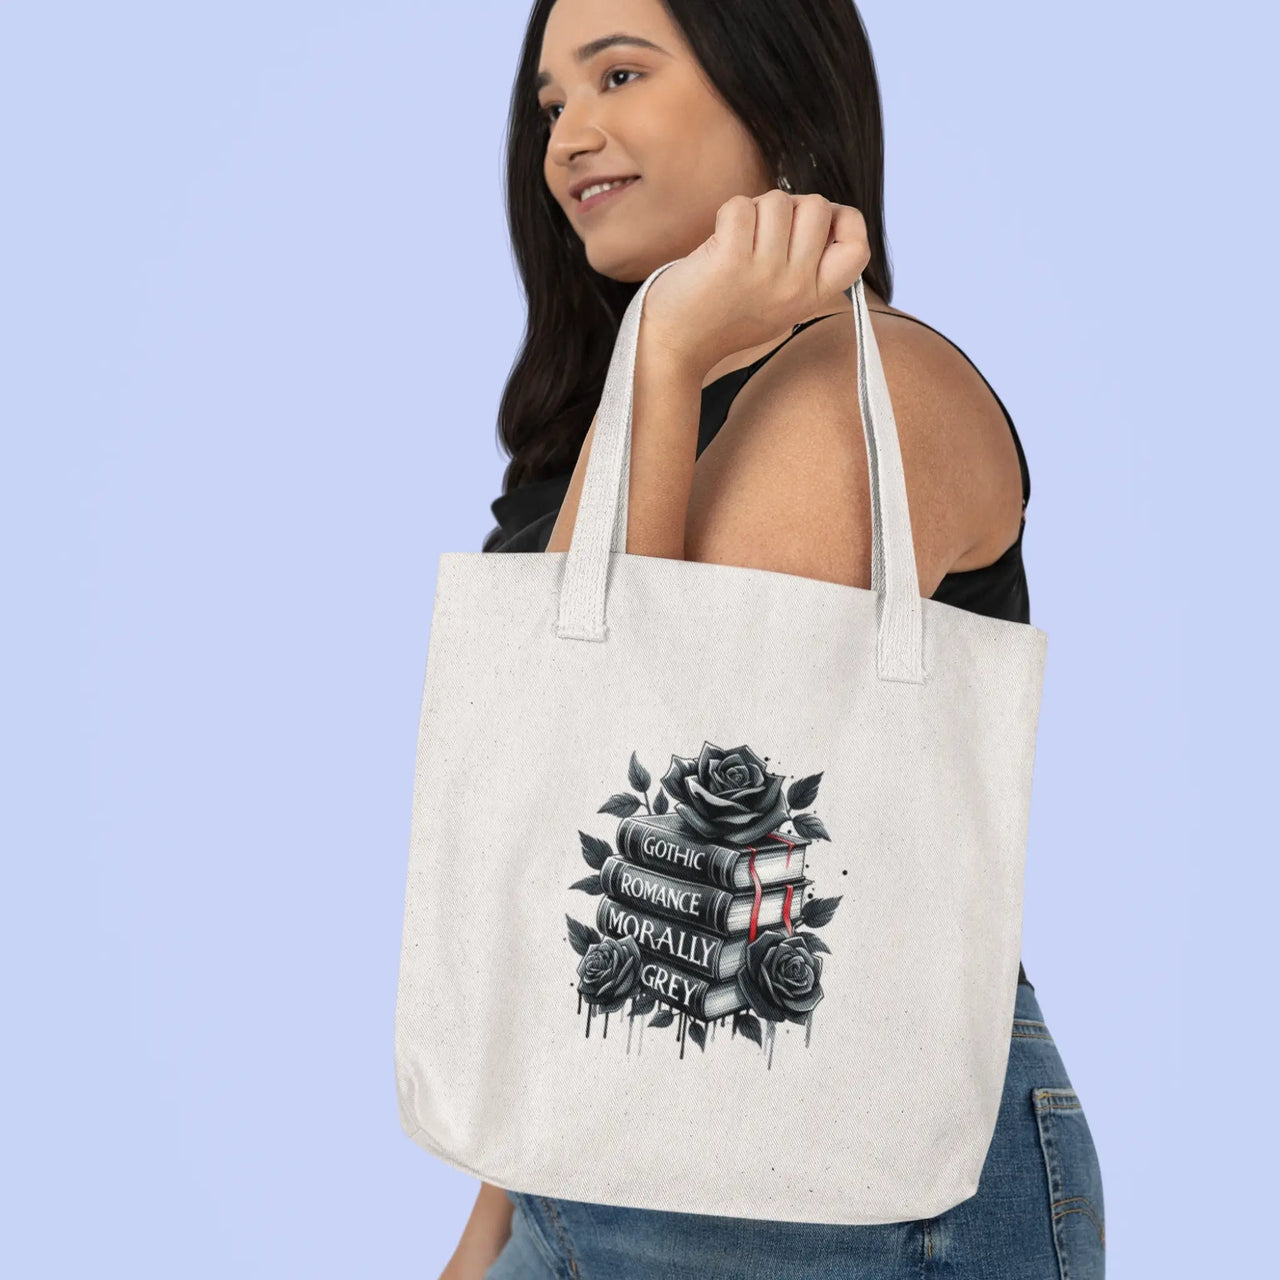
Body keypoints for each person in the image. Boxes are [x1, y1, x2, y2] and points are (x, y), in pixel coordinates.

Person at [443, 0, 1106, 1275]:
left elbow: (649, 796)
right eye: (549, 105)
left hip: (845, 1194)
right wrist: (493, 1229)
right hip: (589, 1163)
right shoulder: (617, 425)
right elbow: (568, 907)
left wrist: (671, 343)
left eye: (618, 74)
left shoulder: (865, 394)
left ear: (777, 94)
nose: (568, 135)